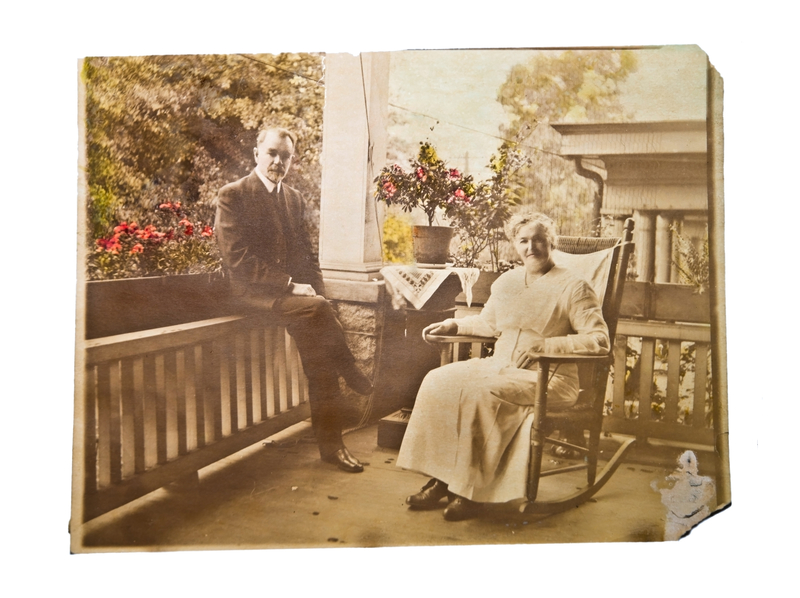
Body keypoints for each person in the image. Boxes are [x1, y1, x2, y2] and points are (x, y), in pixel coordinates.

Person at [395, 210, 610, 520]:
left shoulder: (574, 286)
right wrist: (452, 327)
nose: (531, 247)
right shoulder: (507, 282)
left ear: (552, 243)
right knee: (436, 380)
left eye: (539, 240)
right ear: (514, 244)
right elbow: (489, 323)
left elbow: (599, 340)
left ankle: (469, 491)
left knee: (484, 393)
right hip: (501, 365)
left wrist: (546, 346)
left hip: (550, 377)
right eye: (523, 241)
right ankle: (442, 479)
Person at [215, 127, 372, 473]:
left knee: (319, 358)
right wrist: (290, 285)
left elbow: (307, 257)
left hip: (295, 304)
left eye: (285, 156)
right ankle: (351, 371)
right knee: (318, 315)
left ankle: (332, 447)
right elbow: (237, 260)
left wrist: (317, 292)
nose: (278, 162)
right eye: (272, 153)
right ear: (256, 152)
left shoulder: (294, 199)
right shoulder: (233, 195)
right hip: (250, 296)